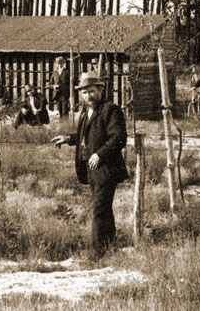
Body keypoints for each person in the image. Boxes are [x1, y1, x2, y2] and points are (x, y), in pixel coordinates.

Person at [51, 71, 129, 259]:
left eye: (92, 91)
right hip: (91, 169)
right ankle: (109, 247)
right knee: (103, 209)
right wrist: (69, 138)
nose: (88, 96)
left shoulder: (111, 110)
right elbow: (85, 136)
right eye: (84, 93)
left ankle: (97, 254)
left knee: (99, 209)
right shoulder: (86, 112)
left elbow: (118, 138)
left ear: (101, 90)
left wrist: (100, 155)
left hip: (106, 169)